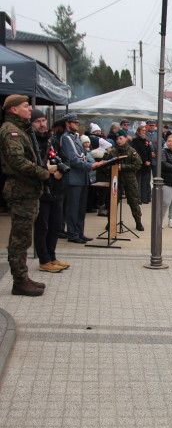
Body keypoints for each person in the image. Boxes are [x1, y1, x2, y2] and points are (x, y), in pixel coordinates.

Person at [0, 95, 56, 296]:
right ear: (14, 110)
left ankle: (22, 277)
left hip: (27, 190)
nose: (30, 110)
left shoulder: (20, 130)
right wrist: (44, 173)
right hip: (20, 190)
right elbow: (18, 163)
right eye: (26, 107)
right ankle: (19, 281)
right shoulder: (11, 131)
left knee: (24, 237)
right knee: (20, 238)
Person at [30, 109, 69, 273]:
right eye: (38, 121)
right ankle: (44, 260)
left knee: (55, 226)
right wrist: (47, 169)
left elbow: (63, 159)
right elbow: (30, 164)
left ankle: (52, 256)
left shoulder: (50, 141)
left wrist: (59, 170)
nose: (42, 124)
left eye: (44, 121)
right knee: (42, 227)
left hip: (56, 189)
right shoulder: (31, 141)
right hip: (42, 190)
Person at [60, 113, 102, 244]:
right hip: (73, 178)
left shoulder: (75, 138)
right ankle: (72, 233)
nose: (77, 125)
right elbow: (72, 159)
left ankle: (79, 232)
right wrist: (90, 165)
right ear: (67, 123)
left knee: (81, 208)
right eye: (75, 123)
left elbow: (82, 155)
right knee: (73, 208)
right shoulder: (66, 138)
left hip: (82, 177)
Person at [103, 130, 144, 230]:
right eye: (117, 139)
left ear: (126, 138)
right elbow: (105, 165)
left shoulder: (131, 151)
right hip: (115, 180)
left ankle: (138, 222)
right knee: (112, 202)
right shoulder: (113, 151)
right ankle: (110, 222)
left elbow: (138, 164)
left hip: (129, 179)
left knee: (133, 201)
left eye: (121, 138)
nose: (118, 141)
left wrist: (123, 167)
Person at [131, 124, 153, 204]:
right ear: (139, 131)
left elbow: (149, 151)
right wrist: (144, 161)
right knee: (138, 182)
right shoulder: (135, 140)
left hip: (147, 165)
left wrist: (149, 160)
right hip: (140, 164)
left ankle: (145, 198)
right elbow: (137, 152)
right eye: (142, 130)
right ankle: (138, 198)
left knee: (145, 182)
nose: (144, 132)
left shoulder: (146, 140)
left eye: (145, 130)